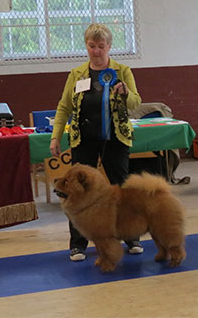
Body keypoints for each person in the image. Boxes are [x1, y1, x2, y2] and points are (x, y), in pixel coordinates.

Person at [50, 23, 144, 262]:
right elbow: (64, 108)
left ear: (109, 47)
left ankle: (131, 236)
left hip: (116, 139)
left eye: (101, 46)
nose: (96, 51)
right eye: (92, 46)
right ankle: (78, 243)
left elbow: (136, 104)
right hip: (83, 140)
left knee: (121, 188)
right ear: (86, 46)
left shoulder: (123, 71)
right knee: (76, 192)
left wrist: (125, 92)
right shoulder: (76, 74)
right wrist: (55, 136)